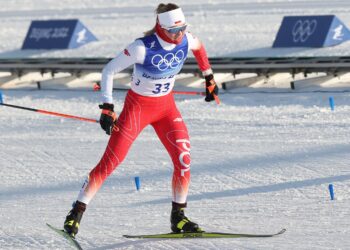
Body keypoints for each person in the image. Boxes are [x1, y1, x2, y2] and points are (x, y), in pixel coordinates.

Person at [63, 3, 219, 237]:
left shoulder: (186, 38)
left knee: (184, 159)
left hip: (166, 109)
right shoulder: (141, 48)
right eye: (173, 31)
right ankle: (75, 213)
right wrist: (107, 106)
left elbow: (199, 48)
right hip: (138, 109)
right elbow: (109, 71)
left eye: (182, 29)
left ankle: (178, 218)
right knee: (110, 163)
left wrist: (209, 77)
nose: (179, 35)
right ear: (160, 28)